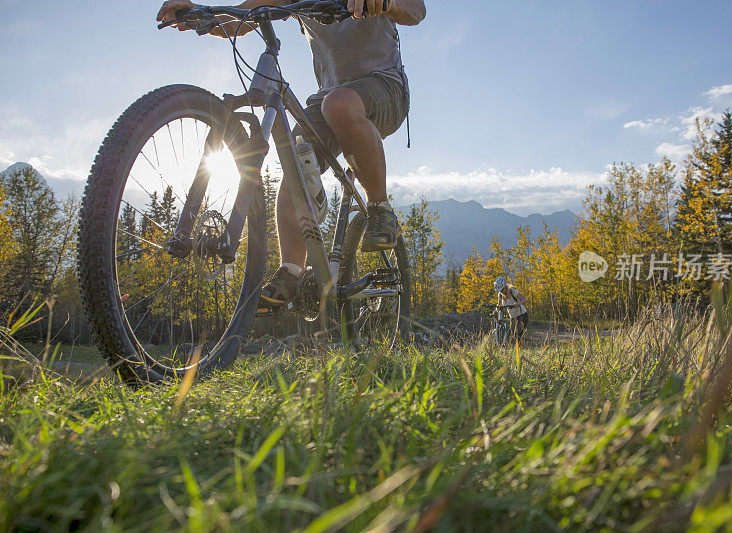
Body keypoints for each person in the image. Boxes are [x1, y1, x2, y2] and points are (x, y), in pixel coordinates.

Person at [157, 0, 426, 308]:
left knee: (337, 105)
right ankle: (292, 272)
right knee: (295, 156)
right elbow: (241, 19)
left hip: (386, 87)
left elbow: (416, 10)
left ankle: (380, 208)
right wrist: (197, 13)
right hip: (331, 96)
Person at [493, 276, 528, 343]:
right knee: (514, 336)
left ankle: (521, 350)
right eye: (500, 291)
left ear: (505, 287)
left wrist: (518, 303)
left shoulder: (513, 291)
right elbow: (499, 305)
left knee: (517, 336)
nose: (502, 292)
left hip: (521, 315)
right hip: (512, 317)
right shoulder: (500, 295)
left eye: (502, 290)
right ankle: (520, 350)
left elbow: (525, 300)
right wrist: (496, 311)